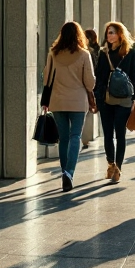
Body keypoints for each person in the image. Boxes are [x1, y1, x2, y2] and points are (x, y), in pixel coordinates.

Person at [41, 22, 96, 191]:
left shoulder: (53, 54)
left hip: (58, 101)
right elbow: (90, 83)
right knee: (75, 137)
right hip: (78, 102)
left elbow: (46, 79)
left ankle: (65, 171)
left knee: (63, 138)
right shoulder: (84, 55)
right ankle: (69, 173)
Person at [93, 21, 135, 184]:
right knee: (107, 134)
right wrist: (97, 97)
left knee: (120, 134)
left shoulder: (130, 53)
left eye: (112, 32)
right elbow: (98, 76)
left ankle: (118, 168)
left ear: (120, 34)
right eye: (107, 33)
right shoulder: (103, 53)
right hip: (106, 99)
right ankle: (110, 164)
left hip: (124, 100)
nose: (109, 35)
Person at [82, 27, 102, 148]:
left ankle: (85, 138)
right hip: (93, 83)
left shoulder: (86, 51)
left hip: (87, 84)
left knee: (87, 110)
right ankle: (86, 138)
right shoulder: (97, 50)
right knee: (90, 110)